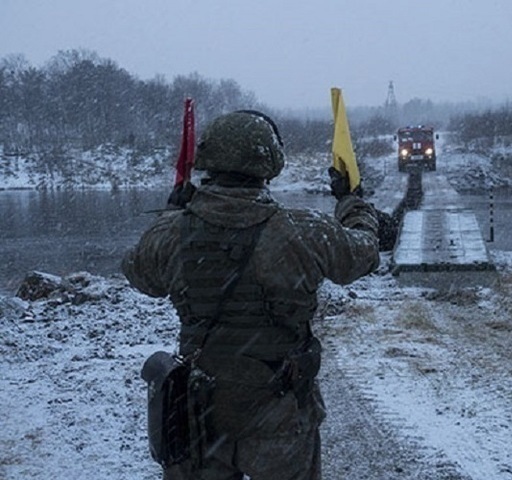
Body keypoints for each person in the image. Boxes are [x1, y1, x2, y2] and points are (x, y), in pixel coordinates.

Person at [122, 110, 379, 479]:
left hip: (199, 413)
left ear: (209, 160)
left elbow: (139, 274)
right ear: (270, 163)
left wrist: (172, 213)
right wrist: (353, 202)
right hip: (281, 412)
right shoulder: (303, 231)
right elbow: (364, 252)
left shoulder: (173, 233)